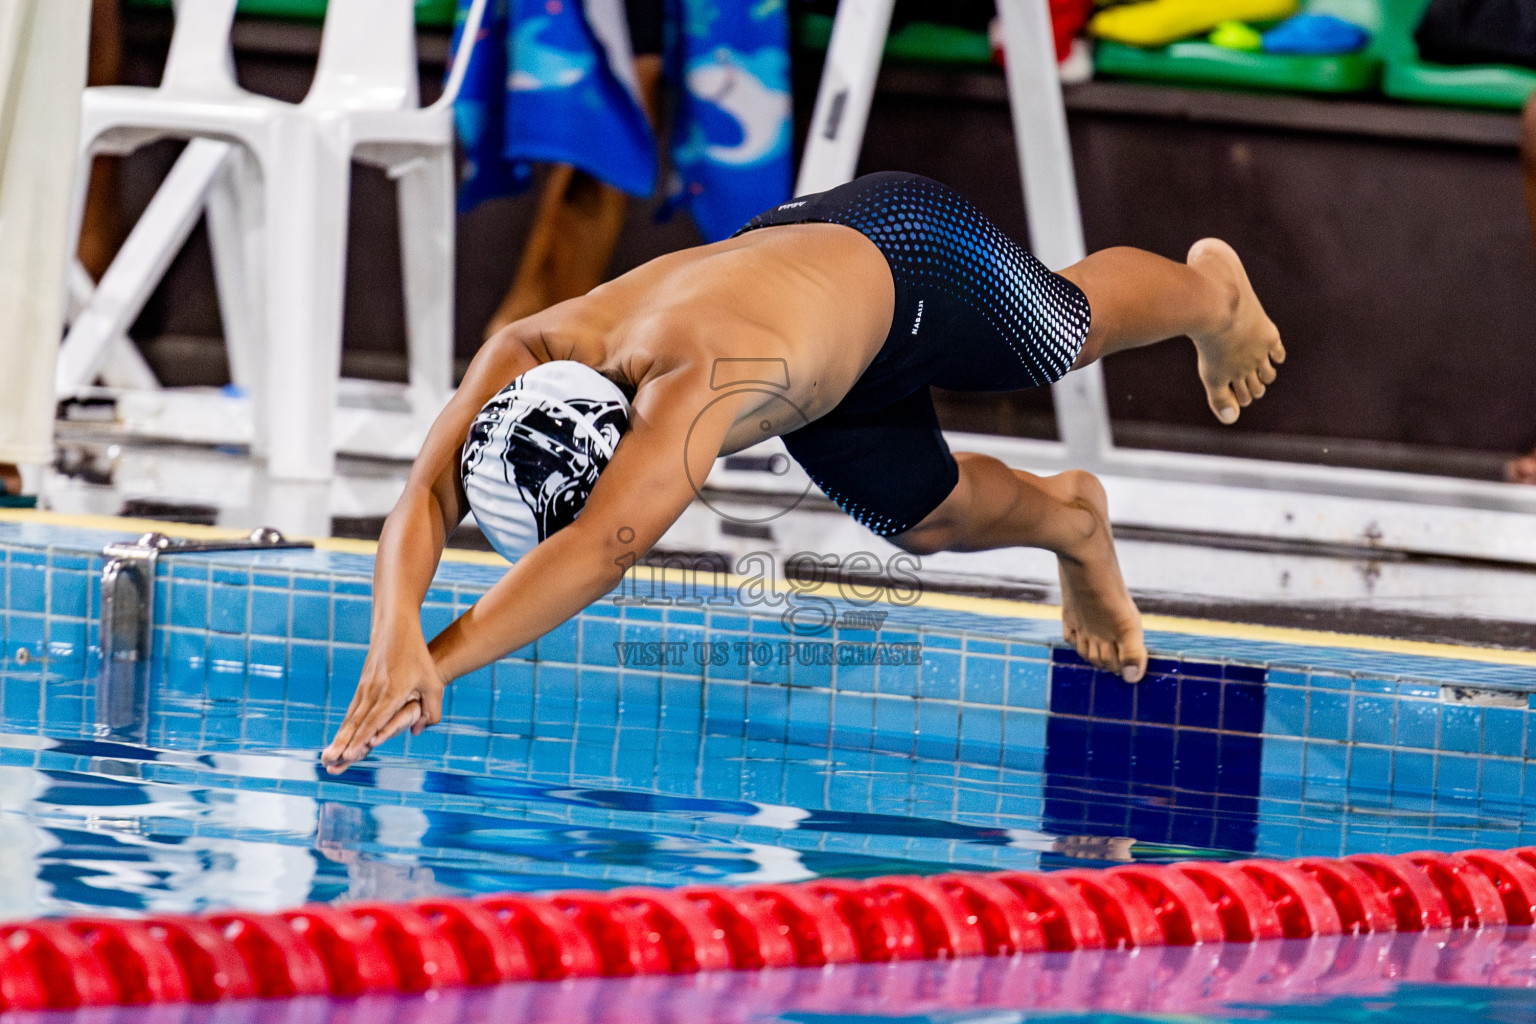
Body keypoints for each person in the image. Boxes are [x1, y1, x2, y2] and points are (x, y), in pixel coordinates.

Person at [320, 171, 1284, 774]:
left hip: (908, 257)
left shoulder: (692, 385)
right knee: (924, 517)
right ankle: (1075, 521)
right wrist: (393, 630)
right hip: (822, 350)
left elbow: (603, 548)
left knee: (1059, 333)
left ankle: (1213, 294)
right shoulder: (527, 348)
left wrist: (433, 667)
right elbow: (427, 491)